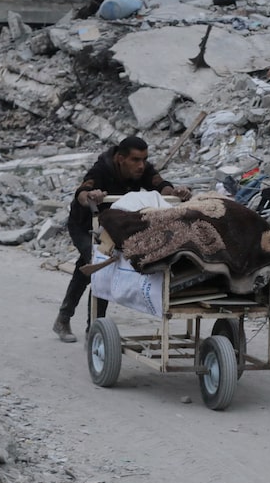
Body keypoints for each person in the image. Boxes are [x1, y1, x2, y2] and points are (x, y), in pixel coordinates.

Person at [53, 136, 191, 343]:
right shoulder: (101, 169)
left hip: (112, 228)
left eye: (144, 159)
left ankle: (65, 319)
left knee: (87, 267)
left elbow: (160, 185)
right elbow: (82, 192)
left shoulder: (142, 170)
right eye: (135, 160)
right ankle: (93, 330)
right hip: (84, 225)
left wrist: (176, 192)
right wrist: (91, 195)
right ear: (120, 158)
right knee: (101, 268)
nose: (141, 165)